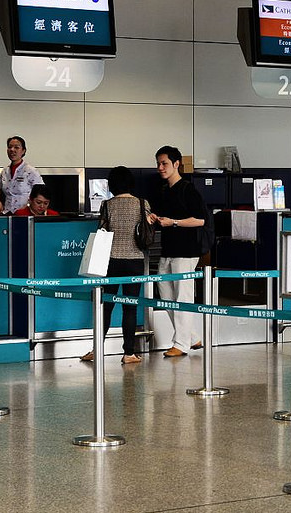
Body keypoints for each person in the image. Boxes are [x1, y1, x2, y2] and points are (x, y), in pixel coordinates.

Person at [81, 166, 148, 365]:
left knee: (106, 307)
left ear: (112, 185)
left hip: (110, 262)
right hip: (135, 261)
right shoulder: (142, 203)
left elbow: (102, 229)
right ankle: (129, 353)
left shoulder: (107, 205)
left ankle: (96, 349)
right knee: (129, 308)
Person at [148, 145, 207, 358]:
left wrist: (173, 222)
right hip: (169, 248)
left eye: (164, 163)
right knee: (164, 292)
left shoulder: (188, 189)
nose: (160, 168)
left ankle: (181, 344)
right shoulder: (165, 190)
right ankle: (191, 337)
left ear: (176, 164)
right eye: (158, 163)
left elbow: (200, 219)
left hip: (187, 250)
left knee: (183, 295)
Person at [0, 135, 43, 214]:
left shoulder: (31, 171)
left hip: (25, 214)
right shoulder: (5, 171)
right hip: (7, 213)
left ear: (23, 151)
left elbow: (42, 194)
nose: (12, 150)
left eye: (16, 147)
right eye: (10, 147)